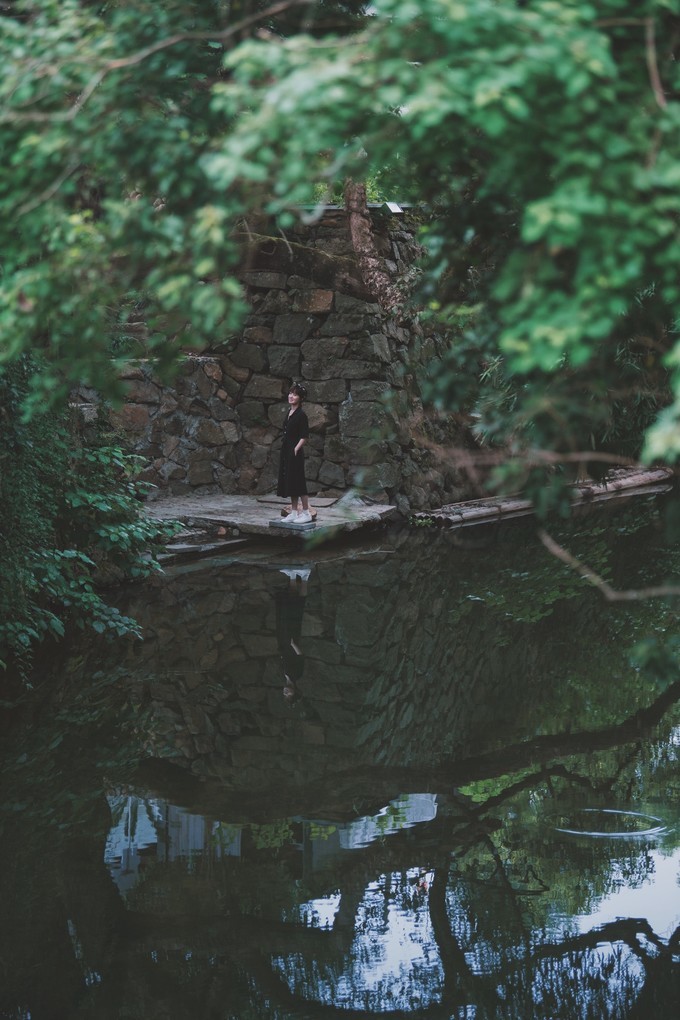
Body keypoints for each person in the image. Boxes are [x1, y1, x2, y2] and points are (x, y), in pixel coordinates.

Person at [277, 382, 313, 524]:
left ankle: (306, 513)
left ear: (301, 398)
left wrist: (296, 449)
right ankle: (293, 513)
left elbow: (304, 436)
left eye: (295, 394)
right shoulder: (290, 412)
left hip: (295, 452)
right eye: (291, 393)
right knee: (290, 482)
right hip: (287, 450)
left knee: (299, 482)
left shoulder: (301, 415)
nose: (291, 396)